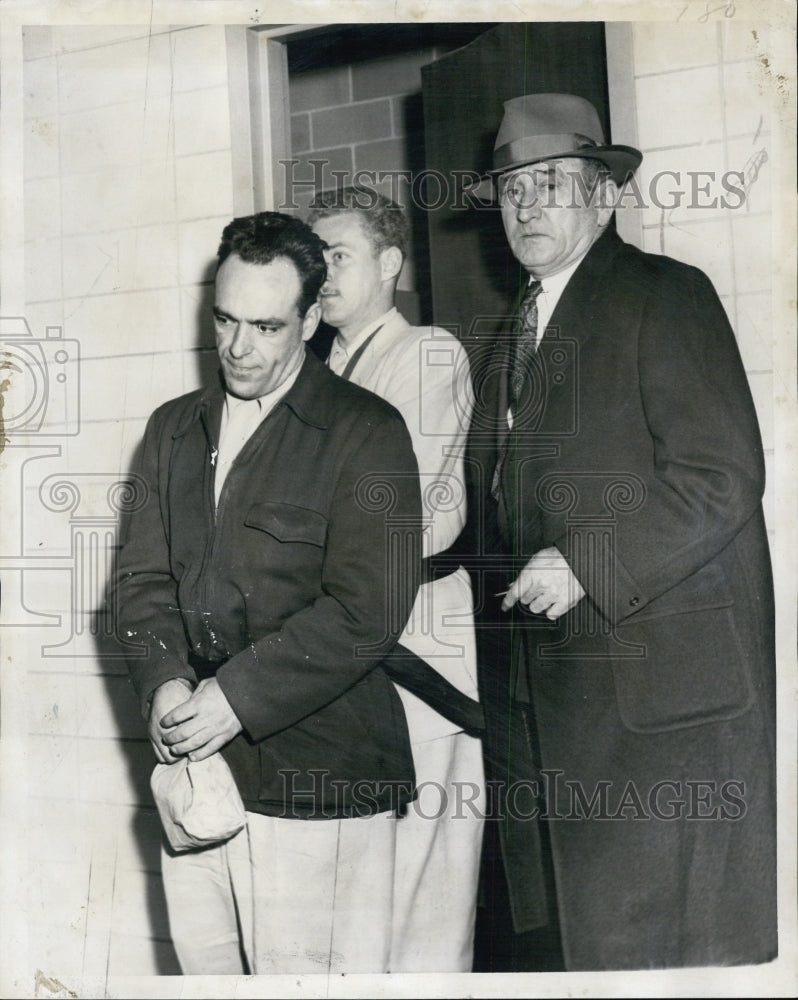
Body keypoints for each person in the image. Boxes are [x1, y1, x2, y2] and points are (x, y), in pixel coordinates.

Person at [465, 93, 776, 971]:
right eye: (510, 187)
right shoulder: (515, 329)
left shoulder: (663, 295)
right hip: (552, 706)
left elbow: (722, 476)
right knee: (588, 952)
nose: (525, 205)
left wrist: (585, 562)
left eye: (550, 183)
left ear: (603, 195)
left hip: (659, 714)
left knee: (660, 955)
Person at [114, 212, 423, 975]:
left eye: (265, 326)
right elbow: (140, 580)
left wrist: (234, 699)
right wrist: (163, 684)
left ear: (311, 319)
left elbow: (368, 609)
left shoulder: (365, 431)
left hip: (322, 780)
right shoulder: (172, 431)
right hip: (202, 782)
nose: (238, 348)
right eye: (223, 320)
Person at [307, 187, 485, 972]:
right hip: (348, 647)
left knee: (427, 890)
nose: (320, 273)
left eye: (336, 256)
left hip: (421, 650)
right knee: (361, 896)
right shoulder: (323, 368)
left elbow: (412, 514)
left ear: (389, 263)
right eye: (312, 259)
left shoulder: (427, 352)